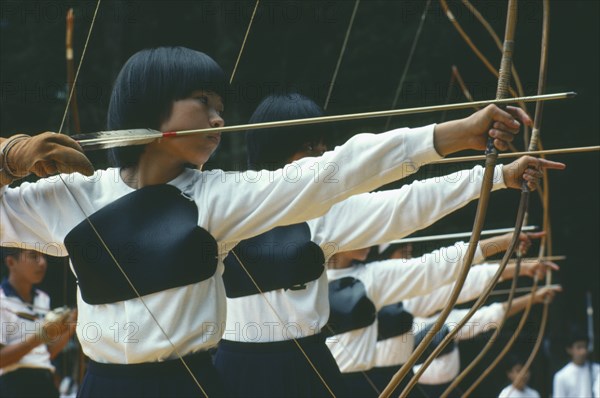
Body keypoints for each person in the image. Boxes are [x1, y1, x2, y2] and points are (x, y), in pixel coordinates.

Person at [0, 46, 560, 396]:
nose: (219, 117)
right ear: (154, 110)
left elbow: (338, 173)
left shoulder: (221, 197)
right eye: (202, 101)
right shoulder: (72, 197)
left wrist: (455, 138)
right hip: (107, 384)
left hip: (190, 381)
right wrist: (7, 159)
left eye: (221, 104)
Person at [213, 93, 560, 397]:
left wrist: (495, 176)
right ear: (274, 150)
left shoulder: (326, 213)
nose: (321, 159)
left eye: (323, 149)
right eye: (308, 149)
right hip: (236, 366)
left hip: (306, 364)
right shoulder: (225, 201)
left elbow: (407, 203)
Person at [324, 233, 554, 398]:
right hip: (345, 383)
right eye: (402, 254)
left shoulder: (391, 288)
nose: (408, 260)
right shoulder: (342, 284)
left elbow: (454, 284)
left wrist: (519, 266)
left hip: (393, 382)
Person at [411, 285, 561, 397]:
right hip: (415, 389)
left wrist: (533, 297)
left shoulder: (451, 319)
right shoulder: (407, 320)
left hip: (448, 389)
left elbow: (492, 313)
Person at [0, 247, 77, 398]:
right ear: (11, 262)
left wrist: (71, 326)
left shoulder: (43, 298)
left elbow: (45, 353)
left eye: (43, 256)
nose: (42, 263)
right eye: (33, 256)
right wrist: (39, 337)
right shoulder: (2, 299)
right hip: (14, 384)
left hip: (46, 381)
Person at [553, 327, 600, 397]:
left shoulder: (597, 370)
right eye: (579, 347)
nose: (583, 351)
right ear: (569, 349)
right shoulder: (561, 376)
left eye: (585, 347)